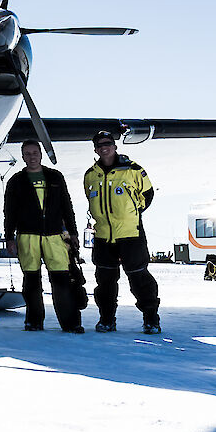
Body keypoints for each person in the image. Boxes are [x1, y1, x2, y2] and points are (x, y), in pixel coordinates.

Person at [85, 130, 162, 334]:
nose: (104, 147)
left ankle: (151, 319)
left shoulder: (133, 170)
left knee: (139, 278)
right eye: (100, 145)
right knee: (105, 282)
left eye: (108, 143)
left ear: (115, 146)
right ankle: (107, 319)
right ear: (96, 149)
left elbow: (148, 194)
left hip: (130, 235)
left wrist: (131, 214)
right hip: (102, 237)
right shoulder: (91, 175)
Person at [3, 139, 84, 333]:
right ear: (22, 157)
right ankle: (34, 321)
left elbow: (67, 206)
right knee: (31, 281)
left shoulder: (55, 177)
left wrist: (72, 232)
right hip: (27, 236)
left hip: (54, 236)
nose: (32, 157)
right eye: (27, 154)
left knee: (62, 279)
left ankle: (70, 322)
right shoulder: (16, 181)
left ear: (41, 154)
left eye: (34, 153)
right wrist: (9, 236)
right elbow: (10, 211)